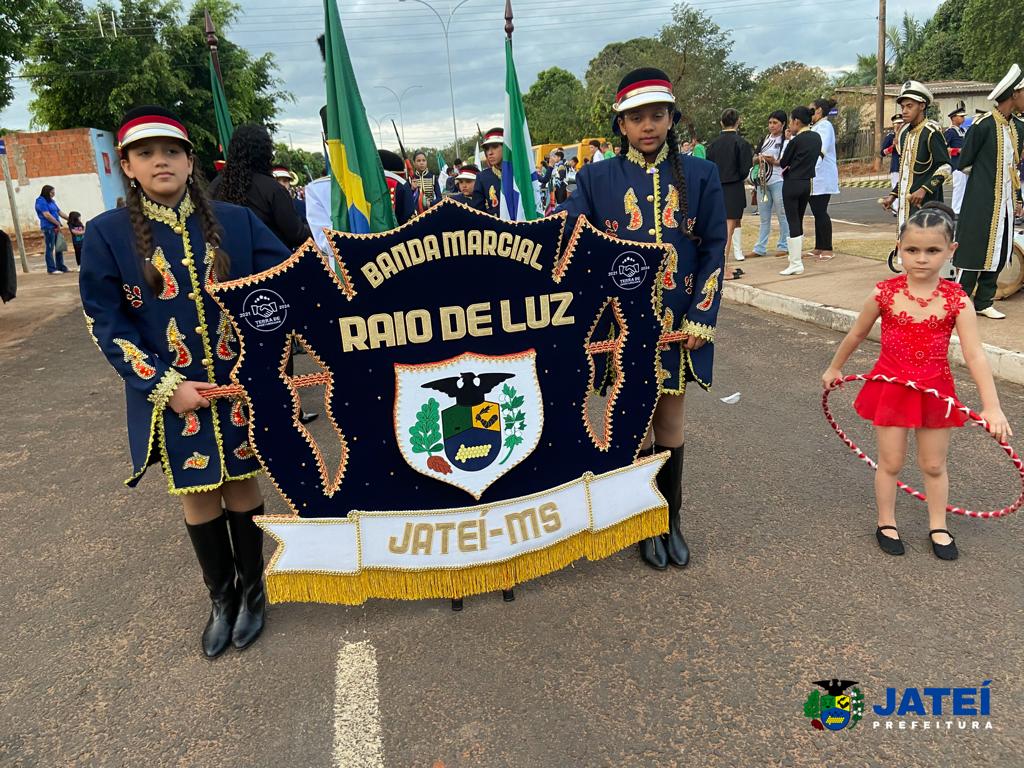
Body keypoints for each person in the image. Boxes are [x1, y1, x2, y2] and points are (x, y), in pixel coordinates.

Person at [79, 105, 292, 657]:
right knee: (197, 492)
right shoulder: (106, 235)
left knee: (242, 483)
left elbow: (287, 286)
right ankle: (222, 599)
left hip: (237, 389)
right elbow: (105, 322)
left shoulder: (237, 221)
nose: (161, 161)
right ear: (127, 165)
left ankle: (254, 594)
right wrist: (165, 385)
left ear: (190, 161)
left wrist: (266, 358)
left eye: (171, 151)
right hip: (172, 396)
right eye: (145, 153)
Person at [557, 67, 727, 571]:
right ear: (621, 125)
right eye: (636, 118)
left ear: (672, 118)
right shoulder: (594, 179)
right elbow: (568, 239)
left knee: (670, 421)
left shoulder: (702, 174)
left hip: (678, 325)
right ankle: (642, 522)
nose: (647, 125)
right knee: (633, 423)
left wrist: (702, 314)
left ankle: (671, 519)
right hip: (621, 328)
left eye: (657, 115)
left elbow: (714, 247)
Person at [822, 203, 1010, 561]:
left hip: (935, 391)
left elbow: (974, 354)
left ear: (951, 250)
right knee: (891, 462)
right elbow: (856, 334)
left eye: (933, 250)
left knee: (934, 465)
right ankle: (886, 521)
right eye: (912, 250)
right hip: (891, 388)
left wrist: (992, 406)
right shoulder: (884, 293)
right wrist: (834, 368)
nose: (921, 259)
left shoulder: (957, 300)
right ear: (899, 248)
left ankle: (938, 525)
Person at [953, 65, 1024, 320]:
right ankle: (959, 302)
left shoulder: (1018, 127)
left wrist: (1017, 197)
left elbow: (1015, 166)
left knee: (1000, 249)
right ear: (1014, 94)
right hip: (981, 199)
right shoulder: (983, 125)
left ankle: (984, 301)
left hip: (1006, 201)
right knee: (975, 247)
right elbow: (965, 163)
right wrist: (986, 182)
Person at [208, 124, 310, 250]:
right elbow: (297, 234)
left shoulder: (215, 186)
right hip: (271, 259)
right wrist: (316, 228)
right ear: (265, 153)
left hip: (228, 259)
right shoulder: (273, 189)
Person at [881, 81, 951, 236]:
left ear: (922, 106)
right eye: (902, 107)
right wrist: (893, 195)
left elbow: (945, 167)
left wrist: (924, 189)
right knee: (905, 242)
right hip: (905, 206)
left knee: (925, 243)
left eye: (909, 106)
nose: (904, 111)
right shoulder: (905, 134)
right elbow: (906, 173)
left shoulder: (931, 132)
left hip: (925, 205)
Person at [707, 108, 754, 278]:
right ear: (738, 121)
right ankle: (722, 267)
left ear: (721, 122)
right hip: (733, 187)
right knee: (728, 230)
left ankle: (724, 263)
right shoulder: (741, 143)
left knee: (721, 228)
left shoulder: (713, 145)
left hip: (716, 188)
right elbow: (744, 169)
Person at [778, 106, 822, 276]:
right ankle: (795, 259)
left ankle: (795, 263)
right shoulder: (816, 137)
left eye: (790, 121)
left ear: (796, 121)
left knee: (793, 221)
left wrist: (788, 140)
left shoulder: (796, 140)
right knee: (799, 219)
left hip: (792, 183)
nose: (790, 124)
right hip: (807, 183)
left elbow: (784, 162)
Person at [749, 110, 790, 259]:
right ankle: (760, 247)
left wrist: (773, 161)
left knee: (782, 214)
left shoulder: (786, 140)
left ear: (783, 124)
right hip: (763, 182)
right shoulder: (765, 139)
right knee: (764, 217)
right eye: (770, 123)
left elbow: (785, 161)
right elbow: (754, 157)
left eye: (775, 123)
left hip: (778, 180)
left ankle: (784, 245)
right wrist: (759, 159)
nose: (772, 126)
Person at [809, 98, 840, 260]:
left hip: (822, 175)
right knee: (816, 212)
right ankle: (818, 246)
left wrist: (811, 167)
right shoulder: (815, 126)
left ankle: (827, 247)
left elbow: (821, 149)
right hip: (814, 177)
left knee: (821, 211)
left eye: (811, 110)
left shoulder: (825, 126)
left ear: (819, 110)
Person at [35, 184, 69, 273]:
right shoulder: (41, 201)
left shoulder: (51, 201)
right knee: (50, 248)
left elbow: (59, 212)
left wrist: (70, 219)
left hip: (56, 227)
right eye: (51, 192)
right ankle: (51, 268)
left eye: (54, 192)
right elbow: (47, 215)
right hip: (48, 227)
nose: (53, 194)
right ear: (47, 192)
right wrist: (57, 223)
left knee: (59, 247)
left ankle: (60, 266)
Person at [472, 128, 504, 215]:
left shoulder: (521, 174)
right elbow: (478, 212)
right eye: (487, 149)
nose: (489, 153)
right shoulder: (482, 177)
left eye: (495, 147)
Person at [945, 101, 968, 214]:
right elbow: (944, 148)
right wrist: (957, 150)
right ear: (953, 118)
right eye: (961, 116)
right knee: (959, 187)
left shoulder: (963, 130)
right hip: (956, 163)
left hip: (965, 163)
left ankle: (962, 209)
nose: (963, 119)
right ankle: (955, 210)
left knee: (965, 187)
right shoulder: (950, 132)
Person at [880, 114, 904, 216]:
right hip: (896, 166)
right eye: (897, 123)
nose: (899, 125)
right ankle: (896, 209)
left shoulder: (907, 135)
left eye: (901, 123)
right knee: (896, 187)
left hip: (906, 165)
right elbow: (882, 153)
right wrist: (892, 147)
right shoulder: (890, 136)